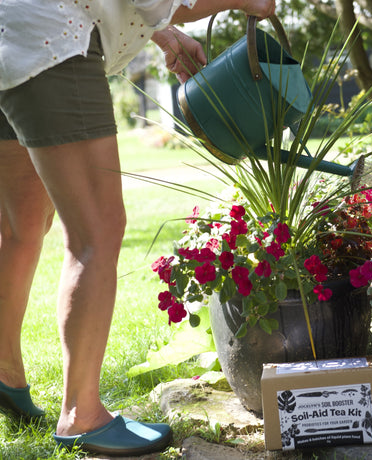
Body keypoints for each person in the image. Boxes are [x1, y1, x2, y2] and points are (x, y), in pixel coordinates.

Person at [0, 0, 275, 456]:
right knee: (97, 232)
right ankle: (82, 416)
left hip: (12, 30)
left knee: (20, 226)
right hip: (53, 44)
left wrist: (164, 33)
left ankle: (5, 372)